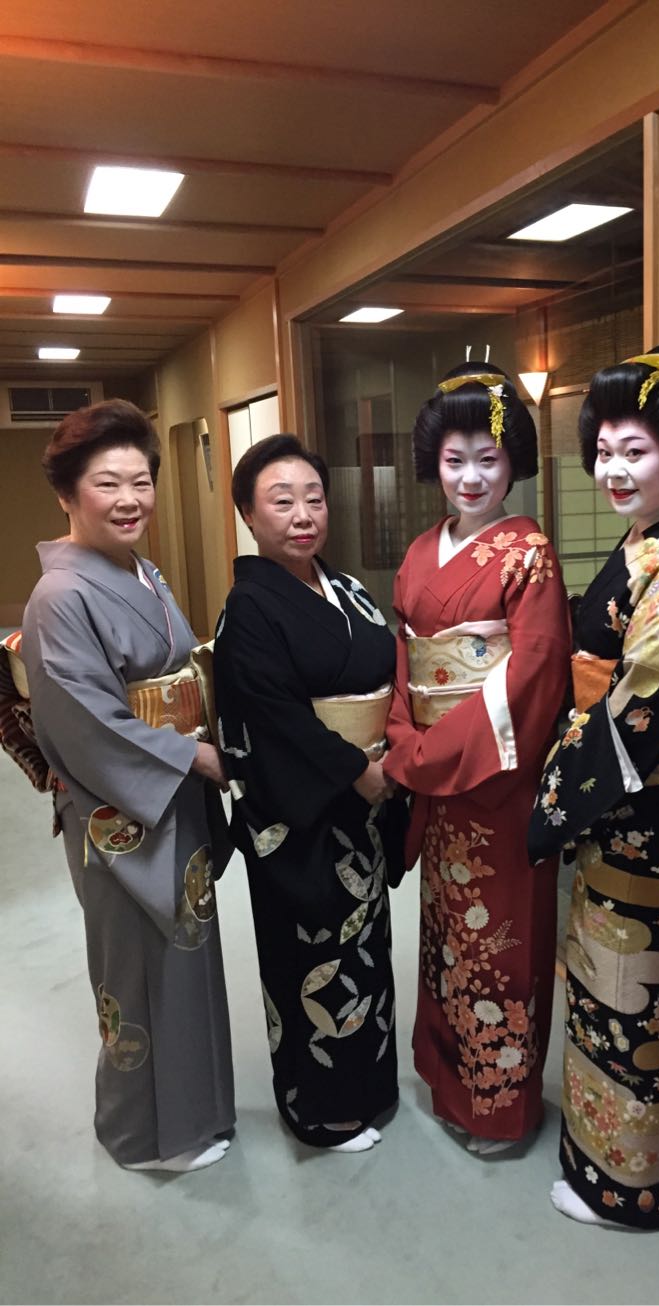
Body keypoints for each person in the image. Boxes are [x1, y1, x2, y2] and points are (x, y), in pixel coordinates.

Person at [526, 344, 659, 1228]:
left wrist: (556, 793)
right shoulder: (655, 543)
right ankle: (645, 1162)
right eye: (603, 451)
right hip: (629, 802)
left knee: (636, 995)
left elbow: (639, 701)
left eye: (635, 451)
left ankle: (631, 1187)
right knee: (626, 990)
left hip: (652, 808)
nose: (613, 470)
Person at [20, 399, 235, 1172]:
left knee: (185, 953)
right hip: (121, 804)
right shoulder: (60, 597)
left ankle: (195, 1115)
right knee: (134, 967)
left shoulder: (142, 571)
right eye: (107, 483)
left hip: (172, 790)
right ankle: (142, 1136)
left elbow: (182, 670)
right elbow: (85, 723)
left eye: (140, 482)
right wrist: (194, 758)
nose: (129, 499)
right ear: (67, 493)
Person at [383, 362, 570, 1153]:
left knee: (502, 948)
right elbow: (405, 657)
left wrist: (428, 753)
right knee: (446, 940)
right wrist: (405, 736)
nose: (470, 478)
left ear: (512, 463)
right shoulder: (421, 553)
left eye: (487, 461)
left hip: (497, 783)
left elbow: (534, 677)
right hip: (438, 780)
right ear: (435, 463)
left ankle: (498, 1106)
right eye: (455, 460)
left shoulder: (530, 555)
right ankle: (448, 1079)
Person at [212, 433, 403, 1154]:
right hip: (304, 815)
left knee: (367, 949)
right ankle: (321, 1110)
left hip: (363, 802)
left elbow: (387, 668)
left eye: (314, 499)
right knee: (314, 959)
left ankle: (370, 1088)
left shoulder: (344, 587)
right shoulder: (250, 608)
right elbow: (275, 717)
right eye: (281, 501)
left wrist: (389, 754)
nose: (302, 516)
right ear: (247, 515)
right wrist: (358, 769)